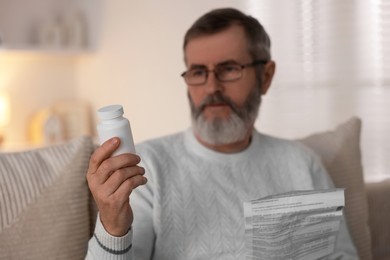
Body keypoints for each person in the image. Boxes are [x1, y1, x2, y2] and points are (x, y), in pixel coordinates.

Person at [86, 7, 358, 260]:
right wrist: (112, 227)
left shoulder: (302, 164)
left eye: (229, 69)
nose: (211, 87)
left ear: (266, 76)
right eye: (198, 71)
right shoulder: (144, 168)